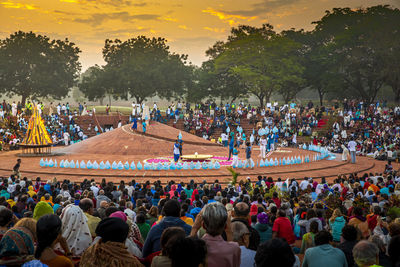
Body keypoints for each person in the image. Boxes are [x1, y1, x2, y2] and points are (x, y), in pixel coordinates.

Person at [191, 202, 241, 267]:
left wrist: (194, 228)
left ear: (203, 225)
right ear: (225, 226)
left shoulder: (192, 248)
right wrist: (229, 231)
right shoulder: (234, 248)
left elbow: (188, 247)